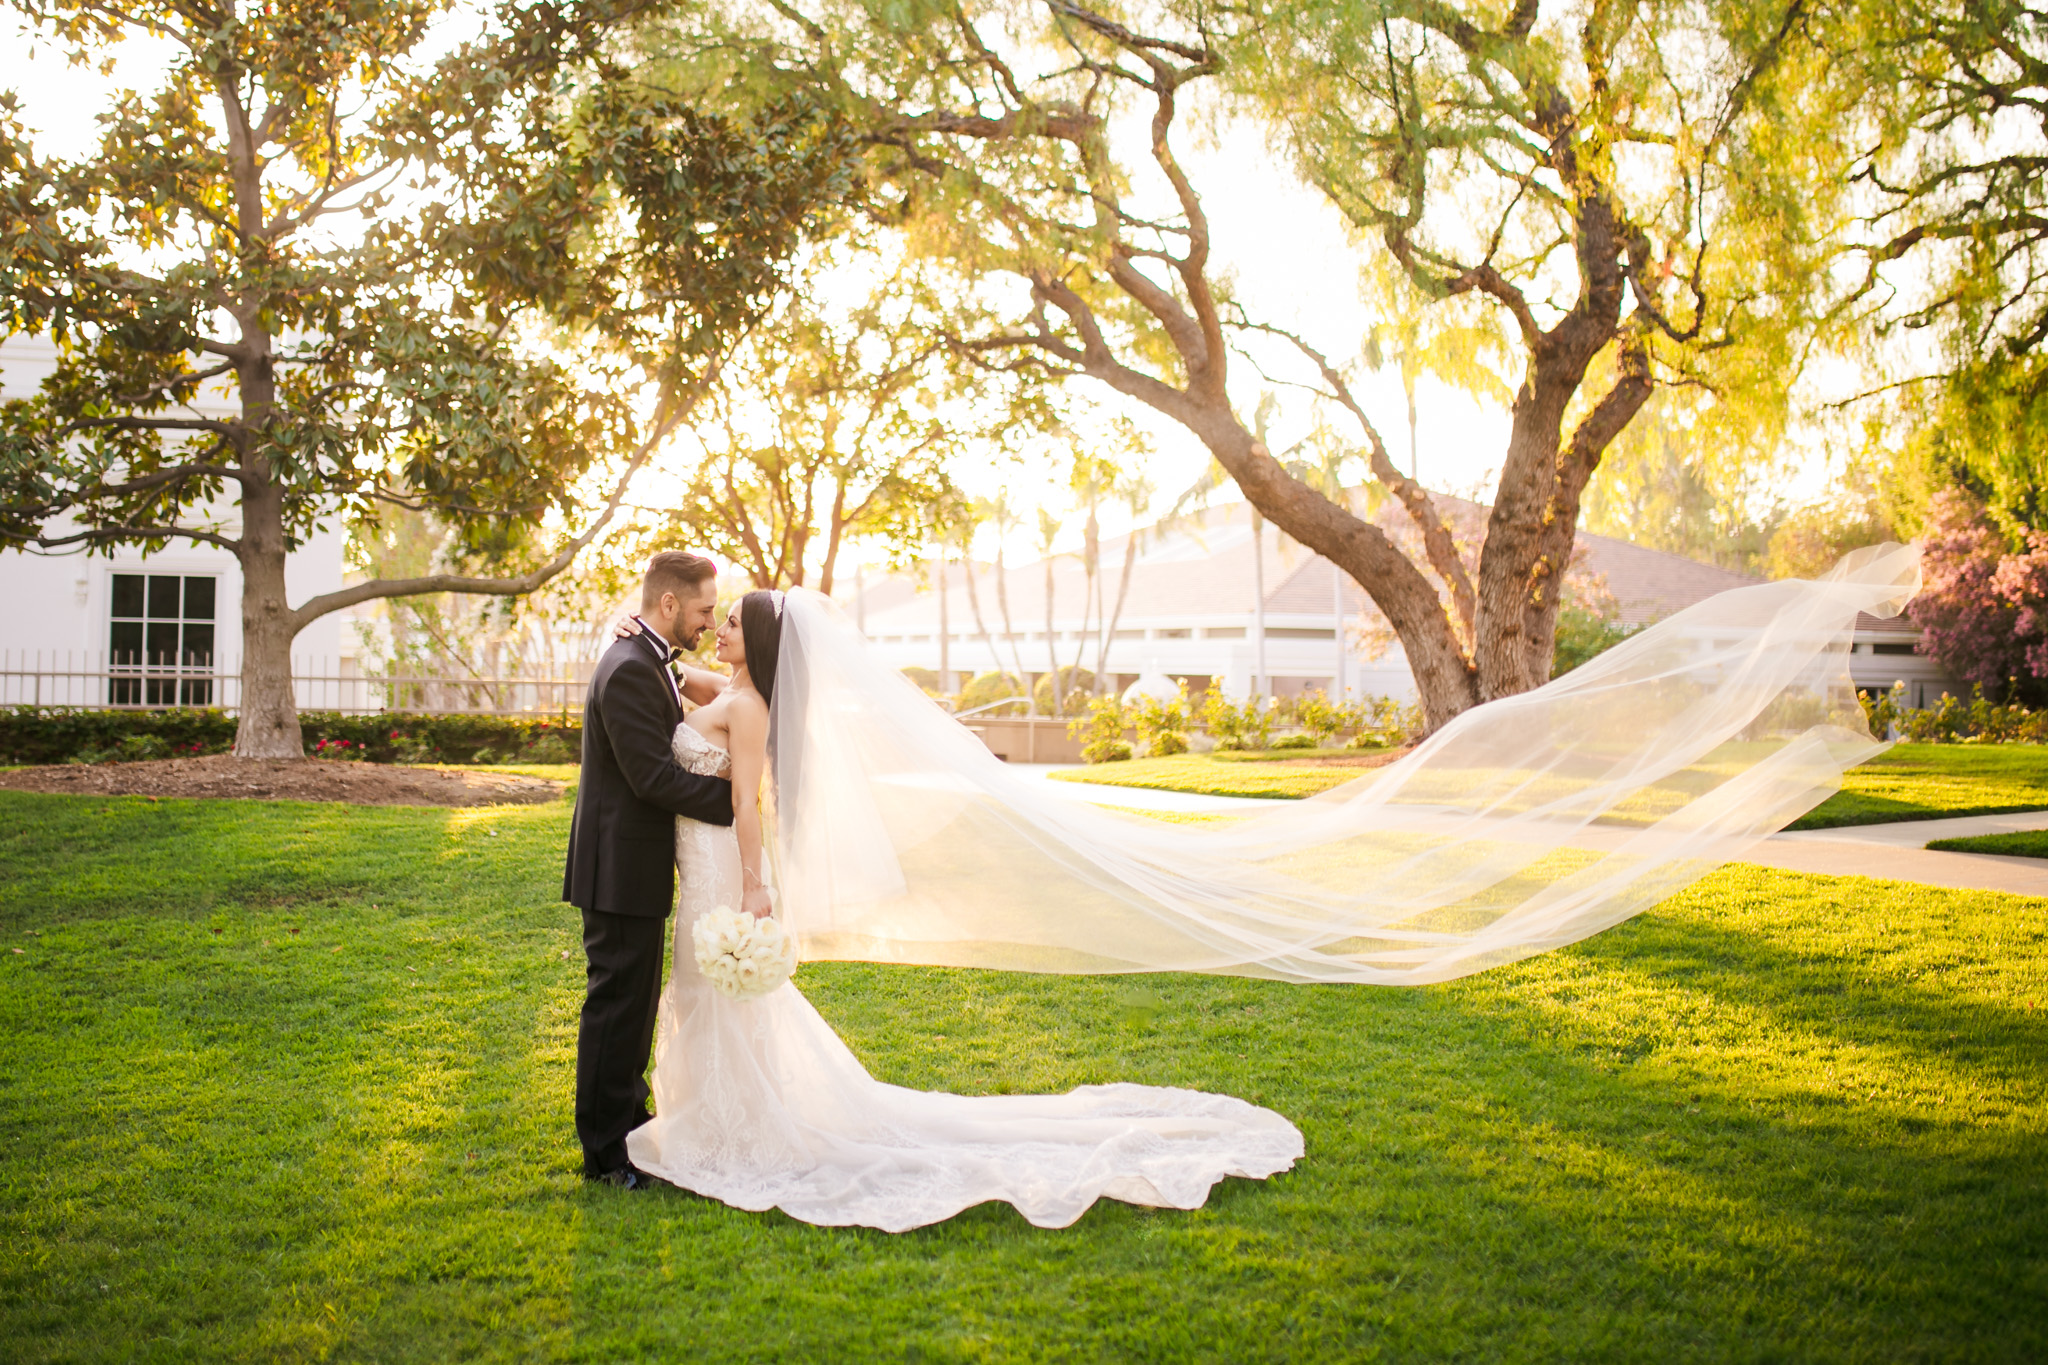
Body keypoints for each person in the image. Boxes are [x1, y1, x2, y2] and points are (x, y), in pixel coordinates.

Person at [605, 546, 1922, 1228]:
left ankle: (733, 1132)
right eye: (707, 623)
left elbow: (749, 775)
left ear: (754, 641)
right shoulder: (737, 686)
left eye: (726, 625)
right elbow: (708, 707)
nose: (712, 634)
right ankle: (711, 1122)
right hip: (715, 862)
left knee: (731, 1013)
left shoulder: (753, 702)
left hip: (732, 872)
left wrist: (761, 891)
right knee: (720, 1017)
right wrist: (684, 677)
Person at [562, 550, 737, 1190]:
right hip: (617, 867)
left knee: (632, 1011)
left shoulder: (647, 656)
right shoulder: (631, 667)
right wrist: (739, 807)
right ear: (669, 604)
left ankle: (628, 1135)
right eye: (703, 609)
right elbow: (651, 778)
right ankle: (607, 1158)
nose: (708, 620)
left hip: (630, 865)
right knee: (616, 1010)